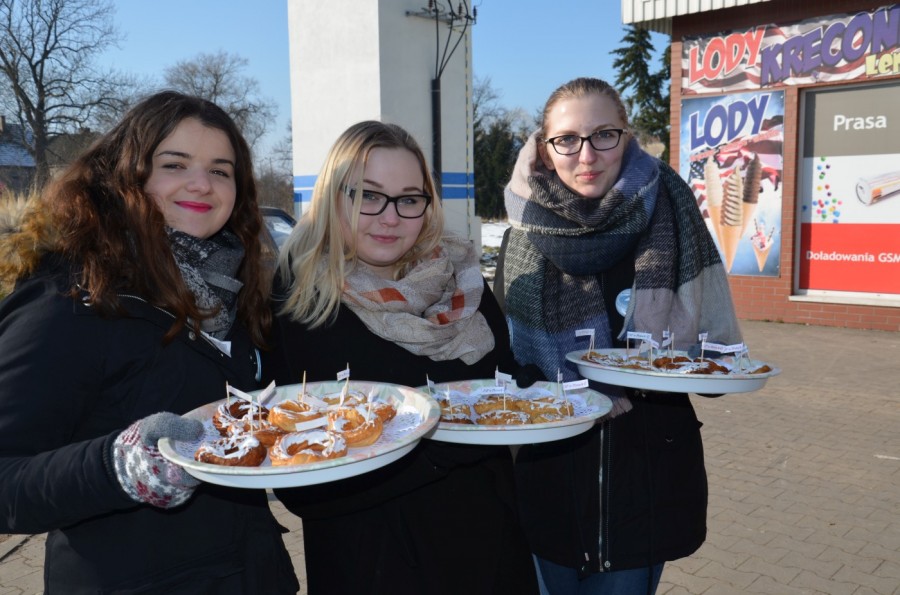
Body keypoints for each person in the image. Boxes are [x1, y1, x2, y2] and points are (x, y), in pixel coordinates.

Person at [0, 91, 299, 594]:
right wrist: (118, 467)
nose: (202, 184)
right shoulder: (70, 297)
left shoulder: (233, 290)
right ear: (123, 175)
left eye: (221, 170)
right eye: (174, 164)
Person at [263, 120, 539, 595]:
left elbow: (499, 378)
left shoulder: (459, 280)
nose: (390, 217)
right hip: (376, 564)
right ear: (334, 196)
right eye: (368, 195)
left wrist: (530, 387)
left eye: (409, 199)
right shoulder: (299, 303)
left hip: (491, 552)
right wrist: (434, 450)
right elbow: (300, 484)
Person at [495, 77, 743, 594]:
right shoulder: (522, 236)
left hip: (644, 486)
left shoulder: (672, 216)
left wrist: (706, 363)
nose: (586, 154)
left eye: (603, 134)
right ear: (545, 148)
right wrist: (569, 392)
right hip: (548, 486)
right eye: (567, 139)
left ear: (626, 138)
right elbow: (506, 364)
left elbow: (718, 365)